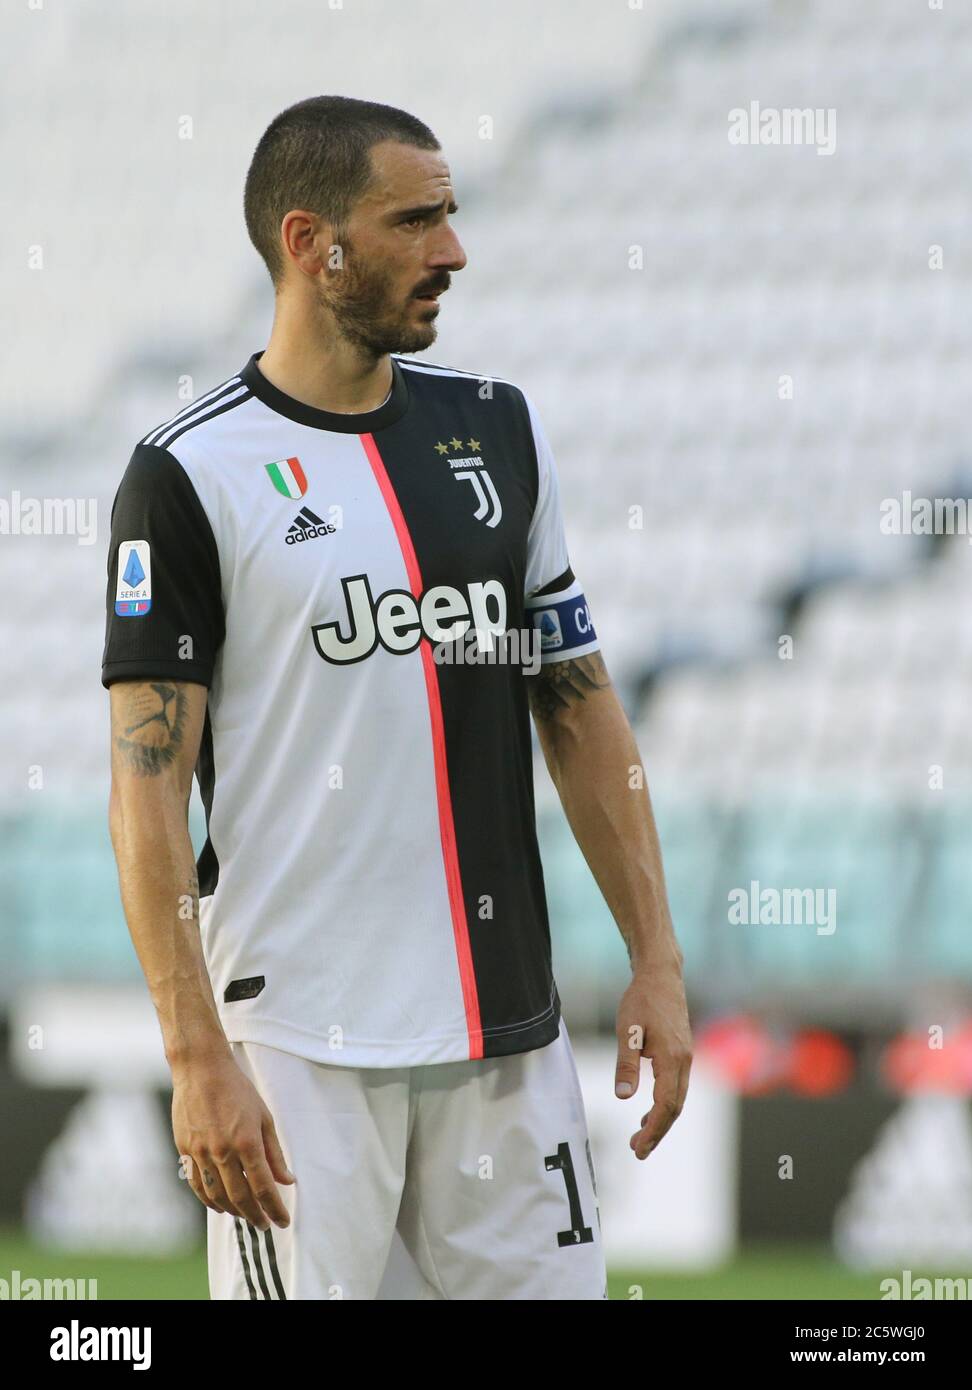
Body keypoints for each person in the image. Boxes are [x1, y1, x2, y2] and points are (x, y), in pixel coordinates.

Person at [102, 95, 692, 1300]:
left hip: (505, 1033)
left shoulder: (498, 432)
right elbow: (146, 786)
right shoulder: (188, 475)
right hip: (301, 1052)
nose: (452, 252)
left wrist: (657, 958)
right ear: (313, 242)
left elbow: (579, 707)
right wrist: (193, 1049)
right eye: (416, 221)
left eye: (452, 217)